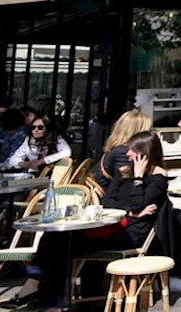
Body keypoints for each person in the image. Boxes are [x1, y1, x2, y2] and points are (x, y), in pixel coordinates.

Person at [30, 131, 168, 312]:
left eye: (131, 151)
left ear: (144, 153)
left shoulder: (157, 178)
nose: (127, 154)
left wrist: (139, 178)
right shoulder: (123, 173)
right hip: (112, 228)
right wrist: (130, 212)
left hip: (130, 235)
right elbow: (108, 202)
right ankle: (48, 295)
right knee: (56, 237)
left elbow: (137, 204)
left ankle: (48, 297)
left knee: (62, 243)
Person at [93, 110, 152, 186]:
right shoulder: (124, 153)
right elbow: (129, 184)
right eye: (148, 131)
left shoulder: (117, 150)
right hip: (113, 195)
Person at [6, 115, 71, 170]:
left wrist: (42, 161)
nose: (35, 130)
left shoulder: (55, 138)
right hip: (35, 174)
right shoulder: (29, 140)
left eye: (40, 127)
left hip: (52, 173)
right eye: (33, 127)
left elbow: (67, 152)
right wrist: (22, 164)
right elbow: (13, 159)